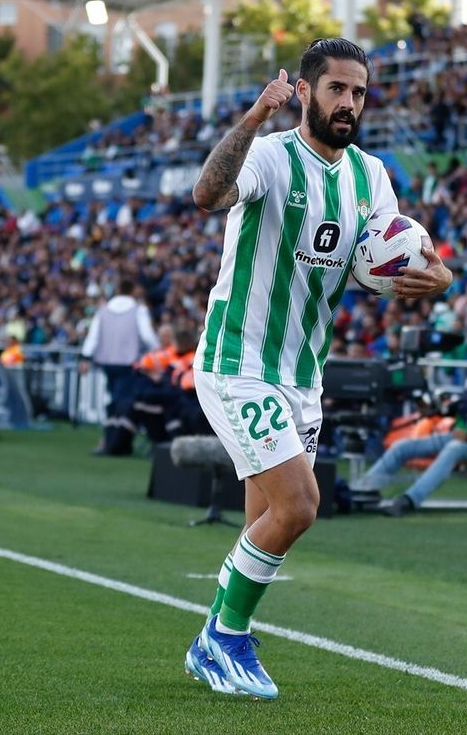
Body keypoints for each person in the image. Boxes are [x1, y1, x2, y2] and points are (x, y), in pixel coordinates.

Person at [184, 39, 453, 700]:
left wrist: (435, 276)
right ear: (304, 92)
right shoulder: (271, 156)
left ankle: (215, 638)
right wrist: (254, 117)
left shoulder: (371, 176)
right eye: (337, 89)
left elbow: (389, 256)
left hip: (303, 377)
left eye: (358, 92)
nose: (349, 102)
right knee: (300, 506)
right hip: (238, 362)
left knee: (266, 518)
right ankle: (225, 639)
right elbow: (207, 193)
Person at [352, 334, 467, 516]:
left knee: (453, 449)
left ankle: (409, 500)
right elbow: (463, 406)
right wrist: (440, 409)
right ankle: (362, 491)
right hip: (458, 436)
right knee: (402, 446)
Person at [80, 279, 159, 457]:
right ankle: (116, 442)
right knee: (124, 403)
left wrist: (85, 357)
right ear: (132, 291)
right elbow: (147, 336)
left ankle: (111, 440)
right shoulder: (138, 310)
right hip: (129, 363)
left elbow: (93, 337)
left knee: (114, 400)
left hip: (107, 362)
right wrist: (157, 351)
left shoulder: (103, 311)